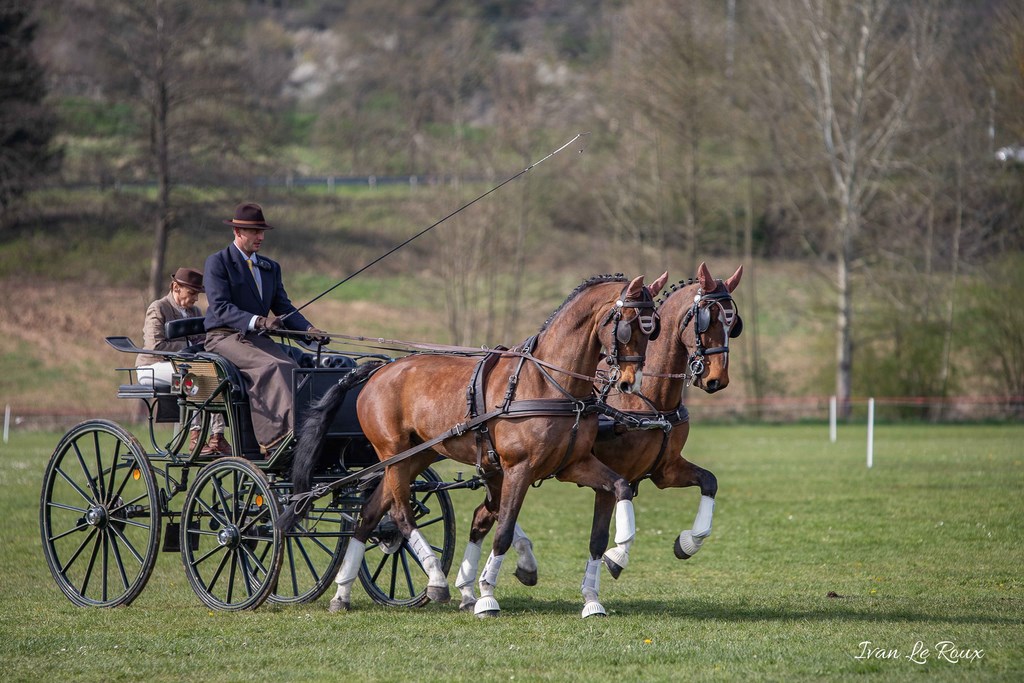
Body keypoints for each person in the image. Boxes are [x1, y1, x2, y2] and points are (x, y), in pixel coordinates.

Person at [203, 202, 329, 455]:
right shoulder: (218, 262)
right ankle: (275, 439)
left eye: (262, 232)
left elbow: (282, 305)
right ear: (238, 232)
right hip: (223, 337)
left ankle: (305, 431)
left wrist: (308, 330)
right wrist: (259, 321)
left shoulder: (270, 267)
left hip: (254, 339)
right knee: (274, 366)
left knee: (295, 369)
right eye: (254, 231)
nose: (260, 237)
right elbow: (220, 307)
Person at [136, 267, 232, 456]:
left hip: (181, 366)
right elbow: (155, 346)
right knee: (195, 375)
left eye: (197, 294)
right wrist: (189, 346)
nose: (196, 298)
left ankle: (217, 436)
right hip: (152, 367)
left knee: (216, 375)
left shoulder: (195, 311)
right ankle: (195, 436)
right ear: (175, 287)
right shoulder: (158, 308)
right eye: (192, 293)